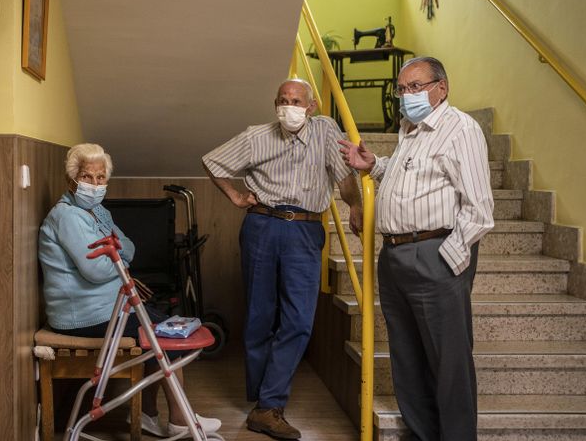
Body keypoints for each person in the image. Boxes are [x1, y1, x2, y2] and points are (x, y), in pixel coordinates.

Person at [338, 56, 494, 441]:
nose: (408, 95)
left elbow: (480, 209)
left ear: (442, 87)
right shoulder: (410, 129)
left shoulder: (460, 129)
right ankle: (424, 433)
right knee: (407, 357)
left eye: (417, 86)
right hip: (394, 257)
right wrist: (374, 165)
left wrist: (449, 259)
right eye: (403, 89)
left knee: (448, 360)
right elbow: (411, 177)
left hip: (435, 255)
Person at [203, 79, 362, 440]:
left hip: (305, 230)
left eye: (297, 100)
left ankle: (267, 404)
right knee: (260, 315)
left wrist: (354, 206)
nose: (289, 106)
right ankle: (266, 402)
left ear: (312, 105)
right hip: (261, 224)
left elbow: (344, 175)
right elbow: (212, 160)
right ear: (275, 104)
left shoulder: (325, 131)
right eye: (283, 100)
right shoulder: (256, 135)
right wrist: (234, 195)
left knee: (298, 320)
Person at [38, 143, 221, 438]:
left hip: (107, 305)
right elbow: (95, 270)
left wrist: (117, 255)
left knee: (163, 325)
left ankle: (149, 415)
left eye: (101, 178)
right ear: (72, 180)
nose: (95, 184)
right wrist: (118, 258)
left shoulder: (96, 211)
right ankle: (180, 419)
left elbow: (129, 247)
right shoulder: (68, 216)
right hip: (84, 314)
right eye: (87, 177)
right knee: (161, 335)